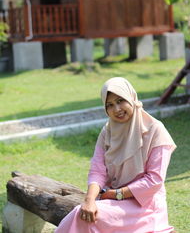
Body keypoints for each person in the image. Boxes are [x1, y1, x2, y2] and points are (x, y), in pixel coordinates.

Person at [55, 77, 176, 233]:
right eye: (110, 105)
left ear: (131, 98)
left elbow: (155, 180)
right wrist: (89, 200)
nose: (117, 109)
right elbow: (97, 171)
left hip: (144, 204)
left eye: (120, 101)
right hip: (112, 199)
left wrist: (117, 194)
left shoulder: (155, 130)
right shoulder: (108, 131)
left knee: (83, 217)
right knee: (84, 213)